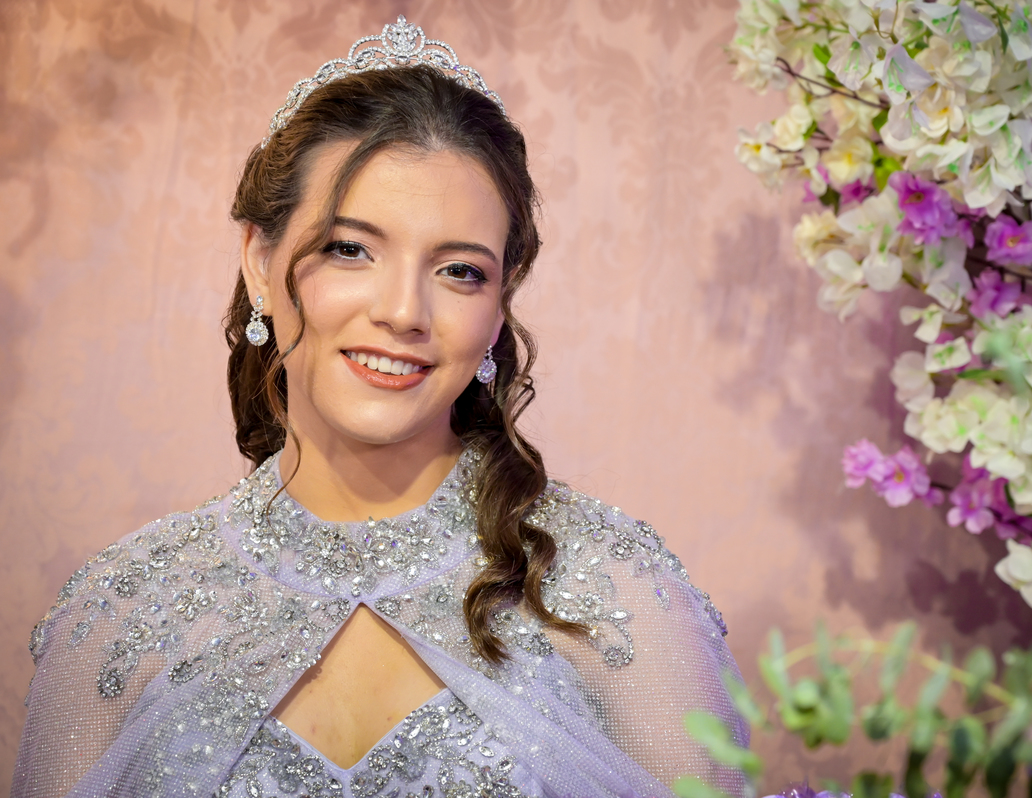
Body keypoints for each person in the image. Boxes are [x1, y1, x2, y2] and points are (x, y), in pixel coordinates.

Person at [11, 16, 747, 798]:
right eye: (350, 249)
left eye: (459, 271)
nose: (403, 312)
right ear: (260, 262)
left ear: (500, 301)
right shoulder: (120, 614)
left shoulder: (621, 600)